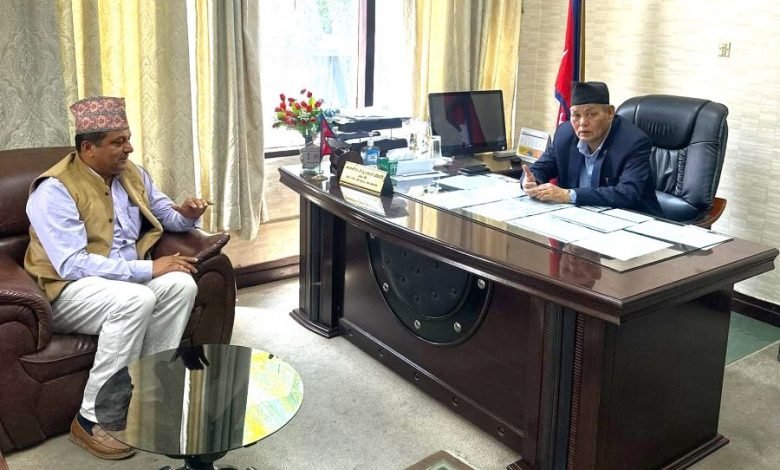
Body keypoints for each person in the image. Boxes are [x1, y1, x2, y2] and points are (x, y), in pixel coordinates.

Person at [24, 96, 210, 460]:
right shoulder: (55, 190)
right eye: (118, 142)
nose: (129, 148)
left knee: (181, 284)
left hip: (122, 282)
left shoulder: (132, 173)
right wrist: (149, 269)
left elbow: (165, 214)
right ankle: (91, 419)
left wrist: (187, 214)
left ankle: (147, 397)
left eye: (128, 139)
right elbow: (72, 264)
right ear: (88, 149)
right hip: (67, 291)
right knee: (137, 298)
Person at [521, 81, 663, 217]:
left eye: (591, 114)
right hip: (579, 216)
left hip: (632, 219)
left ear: (610, 113)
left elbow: (627, 193)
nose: (582, 123)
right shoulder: (565, 134)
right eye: (576, 115)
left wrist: (568, 195)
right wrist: (531, 181)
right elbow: (540, 168)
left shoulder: (633, 143)